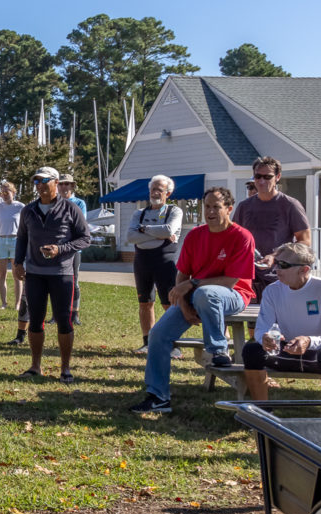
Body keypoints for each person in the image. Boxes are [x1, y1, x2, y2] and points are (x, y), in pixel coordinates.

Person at [127, 186, 255, 414]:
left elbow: (230, 281)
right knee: (158, 334)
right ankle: (158, 397)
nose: (211, 211)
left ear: (229, 209)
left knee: (207, 293)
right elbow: (182, 277)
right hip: (197, 297)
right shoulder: (196, 235)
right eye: (207, 206)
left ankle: (218, 351)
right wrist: (184, 306)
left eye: (216, 207)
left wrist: (193, 285)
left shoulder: (242, 236)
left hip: (234, 295)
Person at [242, 242, 321, 404]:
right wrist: (264, 338)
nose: (277, 269)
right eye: (277, 263)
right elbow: (262, 327)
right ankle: (262, 409)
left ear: (304, 269)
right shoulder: (272, 290)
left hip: (318, 354)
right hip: (286, 352)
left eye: (284, 265)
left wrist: (309, 341)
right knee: (251, 350)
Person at [16, 166, 91, 382]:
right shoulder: (28, 210)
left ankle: (65, 368)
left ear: (55, 182)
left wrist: (61, 249)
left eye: (43, 181)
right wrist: (18, 262)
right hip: (35, 273)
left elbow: (84, 238)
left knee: (64, 321)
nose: (39, 185)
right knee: (36, 320)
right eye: (36, 181)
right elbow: (21, 238)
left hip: (62, 273)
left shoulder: (70, 208)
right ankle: (35, 365)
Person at [231, 156, 311, 301]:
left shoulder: (290, 205)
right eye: (258, 176)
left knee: (278, 320)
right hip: (248, 277)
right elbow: (233, 239)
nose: (262, 181)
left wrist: (275, 257)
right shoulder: (244, 206)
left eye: (267, 177)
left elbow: (305, 241)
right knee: (251, 321)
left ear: (277, 177)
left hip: (280, 276)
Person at [125, 175, 185, 356]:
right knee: (145, 303)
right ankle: (148, 342)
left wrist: (143, 230)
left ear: (168, 192)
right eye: (153, 189)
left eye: (160, 189)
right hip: (142, 261)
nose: (156, 192)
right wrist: (157, 232)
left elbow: (168, 230)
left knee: (169, 304)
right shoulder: (139, 214)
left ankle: (173, 345)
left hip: (164, 262)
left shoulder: (174, 211)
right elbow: (130, 237)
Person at [57, 173, 88, 324]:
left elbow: (80, 225)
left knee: (73, 282)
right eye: (61, 184)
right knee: (56, 282)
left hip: (74, 249)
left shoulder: (79, 203)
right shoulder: (53, 202)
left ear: (72, 186)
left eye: (67, 184)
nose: (64, 187)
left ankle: (74, 313)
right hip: (56, 249)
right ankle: (56, 314)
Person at [0, 181, 23, 310]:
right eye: (2, 193)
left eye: (6, 192)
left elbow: (25, 226)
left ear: (13, 192)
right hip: (0, 241)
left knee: (17, 274)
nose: (4, 195)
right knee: (1, 274)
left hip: (16, 241)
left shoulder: (21, 206)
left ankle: (18, 304)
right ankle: (3, 303)